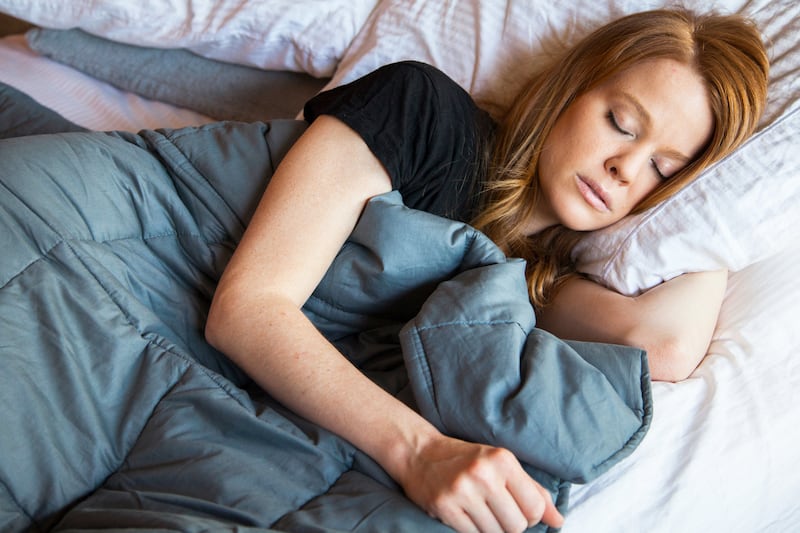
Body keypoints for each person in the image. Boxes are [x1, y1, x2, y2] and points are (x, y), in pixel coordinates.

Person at [205, 7, 768, 533]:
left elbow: (661, 345)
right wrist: (421, 452)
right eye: (621, 122)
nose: (624, 167)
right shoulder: (421, 110)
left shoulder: (535, 284)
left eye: (662, 168)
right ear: (570, 88)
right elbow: (248, 309)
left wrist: (714, 214)